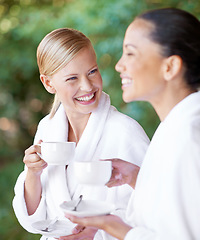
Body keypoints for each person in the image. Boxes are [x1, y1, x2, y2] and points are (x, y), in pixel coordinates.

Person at [65, 7, 200, 240]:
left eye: (130, 53)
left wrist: (111, 225)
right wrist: (137, 177)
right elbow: (175, 210)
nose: (119, 65)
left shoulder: (190, 139)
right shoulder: (180, 126)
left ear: (170, 67)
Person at [12, 28, 150, 240]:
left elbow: (152, 213)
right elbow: (34, 219)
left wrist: (96, 234)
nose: (87, 86)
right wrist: (33, 173)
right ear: (48, 83)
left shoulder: (125, 132)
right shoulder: (47, 130)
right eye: (72, 78)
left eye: (92, 71)